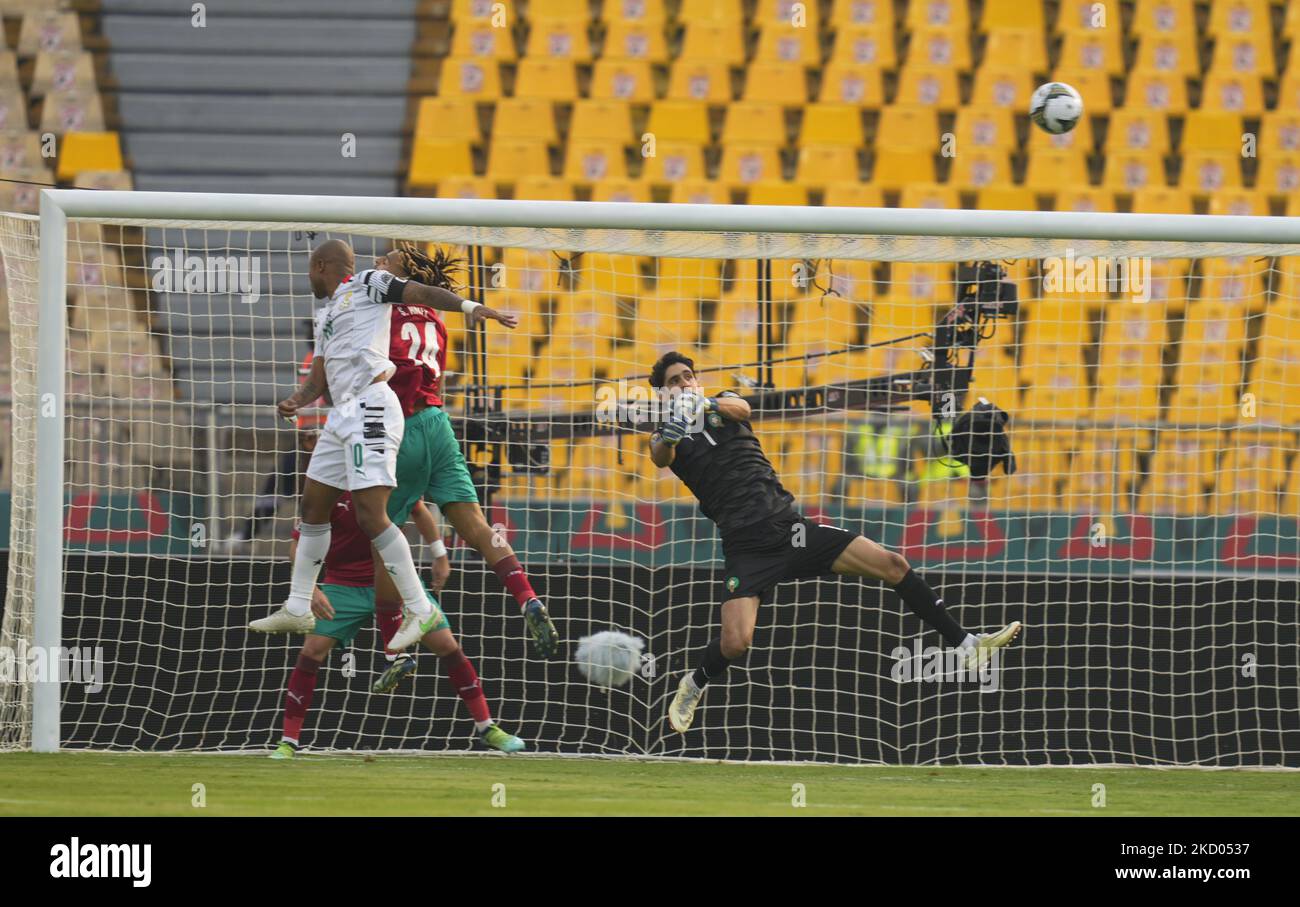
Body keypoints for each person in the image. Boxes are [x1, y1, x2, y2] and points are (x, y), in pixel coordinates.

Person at [645, 351, 1021, 733]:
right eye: (674, 381)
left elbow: (741, 408)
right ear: (663, 393)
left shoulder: (722, 403)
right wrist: (674, 427)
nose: (684, 383)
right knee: (736, 643)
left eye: (688, 376)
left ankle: (966, 644)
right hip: (746, 547)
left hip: (791, 529)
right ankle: (693, 684)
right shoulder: (664, 433)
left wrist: (703, 403)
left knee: (893, 565)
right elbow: (661, 456)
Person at [249, 240, 513, 652]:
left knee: (373, 516)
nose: (307, 278)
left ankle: (417, 606)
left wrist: (468, 307)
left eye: (308, 270)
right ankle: (299, 605)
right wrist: (297, 400)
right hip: (341, 415)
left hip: (372, 407)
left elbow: (421, 293)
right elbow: (319, 376)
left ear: (320, 266)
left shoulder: (369, 282)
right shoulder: (327, 314)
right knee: (313, 505)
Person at [270, 491, 524, 759]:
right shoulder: (328, 489)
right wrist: (309, 587)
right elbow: (298, 544)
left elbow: (418, 509)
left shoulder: (384, 483)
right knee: (311, 652)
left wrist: (439, 555)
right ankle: (288, 741)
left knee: (448, 646)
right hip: (344, 586)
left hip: (397, 580)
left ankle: (487, 728)